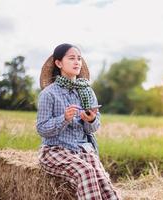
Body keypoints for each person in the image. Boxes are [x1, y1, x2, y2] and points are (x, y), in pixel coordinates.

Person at [36, 43, 119, 200]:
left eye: (79, 59)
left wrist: (91, 119)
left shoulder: (87, 91)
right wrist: (64, 119)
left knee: (104, 183)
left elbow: (93, 128)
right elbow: (41, 128)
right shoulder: (49, 94)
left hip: (83, 150)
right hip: (55, 150)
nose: (77, 62)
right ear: (59, 63)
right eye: (72, 58)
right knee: (86, 172)